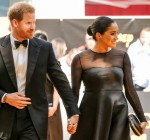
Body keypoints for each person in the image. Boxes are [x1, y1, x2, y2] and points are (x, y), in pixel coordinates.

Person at [0, 2, 79, 140]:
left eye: (34, 22)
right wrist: (5, 97)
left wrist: (72, 111)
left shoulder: (44, 48)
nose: (33, 27)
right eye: (28, 23)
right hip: (4, 119)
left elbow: (60, 80)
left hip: (34, 119)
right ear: (15, 22)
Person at [70, 16, 147, 140]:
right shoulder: (80, 59)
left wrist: (142, 118)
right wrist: (72, 115)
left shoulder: (122, 56)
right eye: (112, 33)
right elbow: (74, 93)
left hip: (118, 112)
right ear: (99, 35)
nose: (116, 37)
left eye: (117, 33)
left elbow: (130, 89)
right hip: (91, 111)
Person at [34, 30, 63, 140]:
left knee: (52, 134)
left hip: (51, 104)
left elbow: (57, 87)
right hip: (35, 105)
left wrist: (54, 106)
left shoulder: (53, 62)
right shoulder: (28, 62)